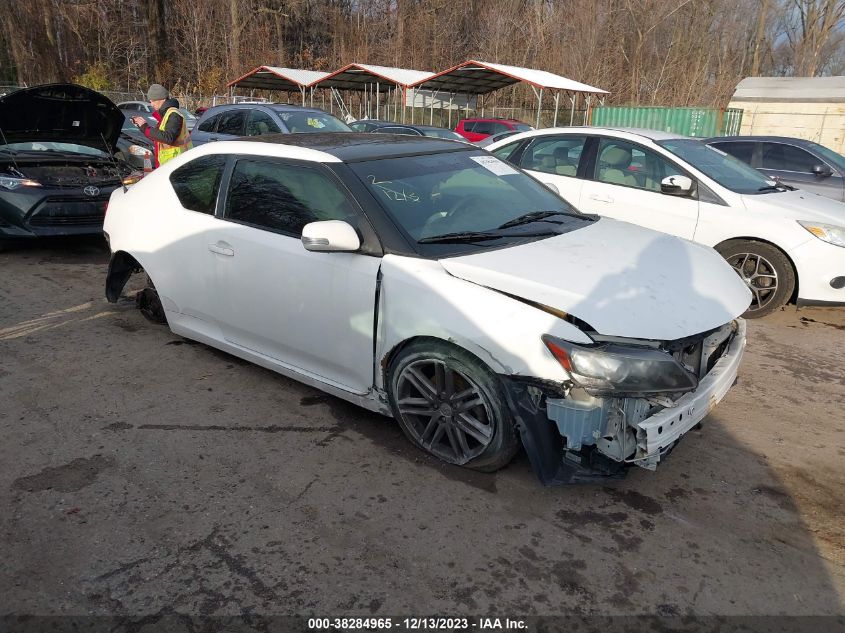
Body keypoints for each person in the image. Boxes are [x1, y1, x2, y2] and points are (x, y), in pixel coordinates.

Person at [132, 84, 192, 168]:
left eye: (153, 101)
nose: (151, 104)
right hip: (170, 163)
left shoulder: (173, 114)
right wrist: (142, 126)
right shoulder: (166, 114)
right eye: (150, 101)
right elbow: (159, 137)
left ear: (163, 99)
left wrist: (145, 127)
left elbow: (168, 137)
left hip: (176, 163)